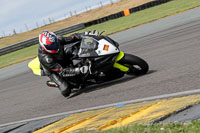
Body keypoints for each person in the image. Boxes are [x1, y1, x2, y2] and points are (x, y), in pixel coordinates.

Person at [38, 31, 96, 97]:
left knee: (73, 48)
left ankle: (87, 60)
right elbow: (62, 71)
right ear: (44, 46)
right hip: (54, 70)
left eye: (54, 43)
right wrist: (79, 70)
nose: (54, 46)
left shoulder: (57, 40)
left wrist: (86, 34)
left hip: (61, 56)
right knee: (66, 91)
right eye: (51, 46)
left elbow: (72, 37)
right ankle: (55, 82)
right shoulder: (45, 58)